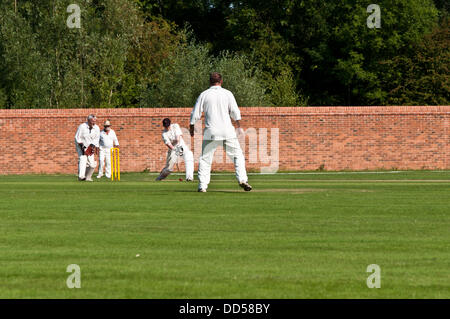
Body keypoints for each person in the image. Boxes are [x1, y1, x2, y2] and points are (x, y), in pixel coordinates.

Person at [189, 72, 252, 192]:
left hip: (211, 131)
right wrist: (238, 127)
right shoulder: (227, 94)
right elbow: (235, 112)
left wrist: (191, 127)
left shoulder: (204, 95)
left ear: (210, 82)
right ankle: (242, 179)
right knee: (237, 156)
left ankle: (202, 186)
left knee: (205, 159)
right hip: (227, 131)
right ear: (221, 81)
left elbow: (195, 114)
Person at [74, 114, 100, 181]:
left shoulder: (97, 128)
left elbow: (96, 139)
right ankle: (81, 176)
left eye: (95, 121)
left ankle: (88, 177)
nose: (93, 123)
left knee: (92, 164)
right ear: (88, 120)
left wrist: (95, 146)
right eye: (92, 121)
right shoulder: (82, 126)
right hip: (81, 145)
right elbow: (77, 137)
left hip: (90, 146)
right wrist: (82, 148)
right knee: (83, 159)